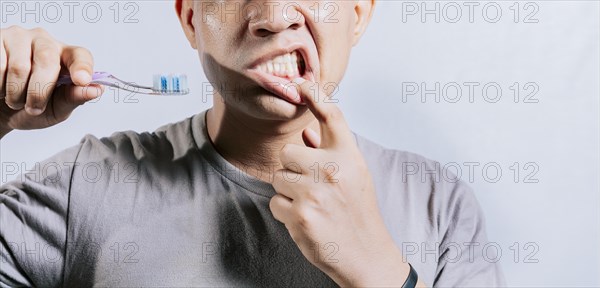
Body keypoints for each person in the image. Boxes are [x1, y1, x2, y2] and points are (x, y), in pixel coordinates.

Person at [0, 0, 505, 286]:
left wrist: (376, 269)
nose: (275, 14)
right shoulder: (83, 186)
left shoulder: (437, 203)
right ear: (190, 18)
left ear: (359, 14)